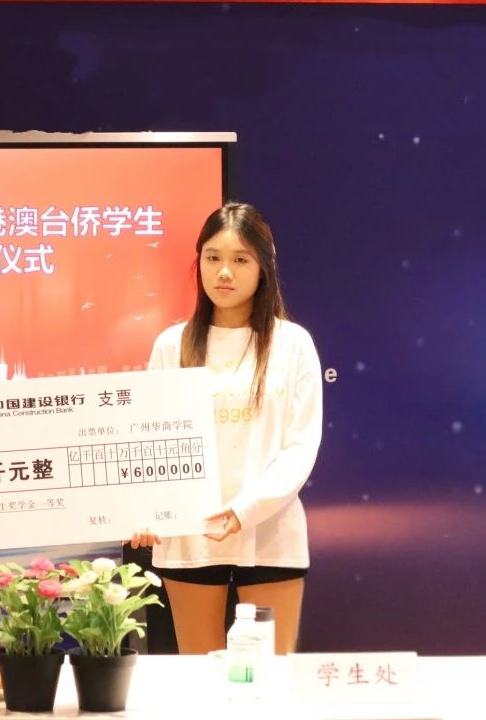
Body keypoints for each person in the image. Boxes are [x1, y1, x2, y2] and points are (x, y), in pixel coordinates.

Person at [129, 202, 322, 655]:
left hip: (270, 532)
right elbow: (151, 440)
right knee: (201, 675)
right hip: (189, 534)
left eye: (240, 260)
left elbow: (299, 446)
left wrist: (243, 509)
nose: (224, 272)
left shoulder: (292, 344)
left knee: (271, 677)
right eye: (212, 258)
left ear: (264, 266)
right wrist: (146, 508)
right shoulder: (172, 344)